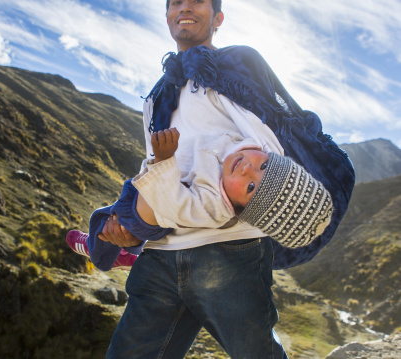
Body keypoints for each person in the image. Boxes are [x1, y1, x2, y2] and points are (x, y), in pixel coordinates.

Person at [78, 0, 354, 358]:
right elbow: (156, 173)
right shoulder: (156, 98)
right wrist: (137, 232)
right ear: (167, 17)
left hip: (230, 252)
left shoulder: (237, 66)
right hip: (162, 255)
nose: (185, 7)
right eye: (175, 2)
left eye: (197, 1)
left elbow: (272, 146)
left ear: (218, 18)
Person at [67, 127, 334, 270]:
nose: (246, 169)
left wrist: (163, 160)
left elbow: (174, 203)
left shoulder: (213, 206)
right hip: (143, 188)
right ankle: (125, 252)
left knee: (102, 223)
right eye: (263, 166)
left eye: (251, 187)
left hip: (142, 214)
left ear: (241, 210)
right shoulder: (241, 143)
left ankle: (101, 254)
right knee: (106, 218)